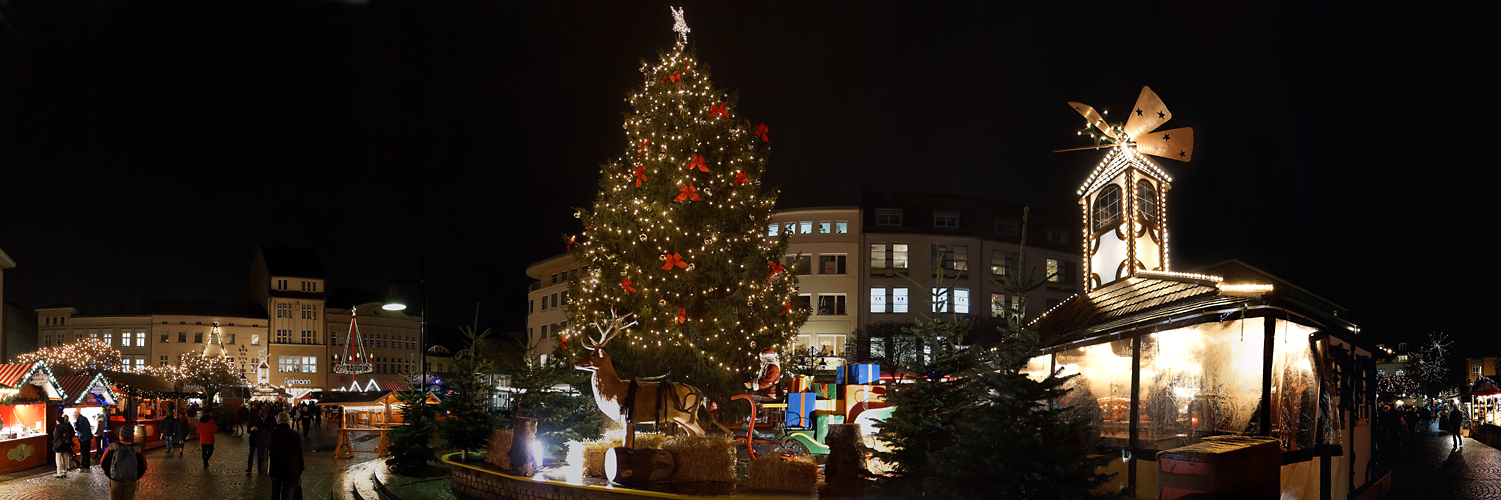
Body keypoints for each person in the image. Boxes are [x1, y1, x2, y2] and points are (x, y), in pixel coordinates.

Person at [102, 426, 147, 500]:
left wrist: (110, 475)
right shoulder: (138, 449)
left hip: (116, 480)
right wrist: (135, 476)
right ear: (132, 435)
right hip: (131, 481)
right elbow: (143, 466)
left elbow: (103, 463)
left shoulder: (112, 446)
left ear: (121, 435)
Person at [268, 412, 304, 500]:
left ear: (278, 420)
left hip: (276, 469)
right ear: (288, 421)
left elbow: (270, 452)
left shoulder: (273, 434)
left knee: (275, 494)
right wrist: (300, 469)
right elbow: (299, 454)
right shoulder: (294, 435)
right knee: (287, 496)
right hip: (290, 470)